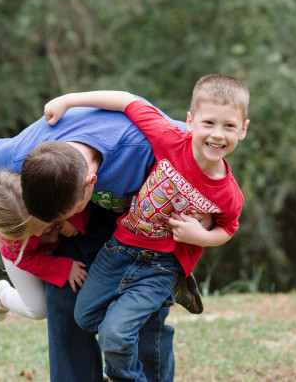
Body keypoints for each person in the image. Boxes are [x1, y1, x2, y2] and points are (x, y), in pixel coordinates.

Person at [0, 103, 208, 382]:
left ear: (90, 184)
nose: (48, 226)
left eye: (50, 220)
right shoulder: (23, 157)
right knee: (66, 299)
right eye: (45, 221)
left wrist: (204, 223)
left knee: (144, 309)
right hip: (78, 208)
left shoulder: (142, 145)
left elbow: (204, 143)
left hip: (136, 215)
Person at [44, 74, 250, 381]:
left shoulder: (229, 193)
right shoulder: (170, 140)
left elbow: (228, 229)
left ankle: (130, 372)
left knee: (114, 337)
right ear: (190, 121)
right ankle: (128, 319)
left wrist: (202, 237)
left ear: (243, 130)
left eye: (229, 126)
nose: (218, 134)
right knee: (84, 317)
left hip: (162, 266)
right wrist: (68, 100)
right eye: (209, 123)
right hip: (120, 249)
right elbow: (129, 101)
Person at [0, 170, 90, 322]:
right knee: (38, 309)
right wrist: (64, 268)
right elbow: (29, 260)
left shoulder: (47, 194)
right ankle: (3, 296)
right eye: (33, 230)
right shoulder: (12, 243)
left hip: (50, 245)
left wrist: (73, 220)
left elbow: (78, 199)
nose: (38, 233)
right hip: (24, 257)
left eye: (39, 223)